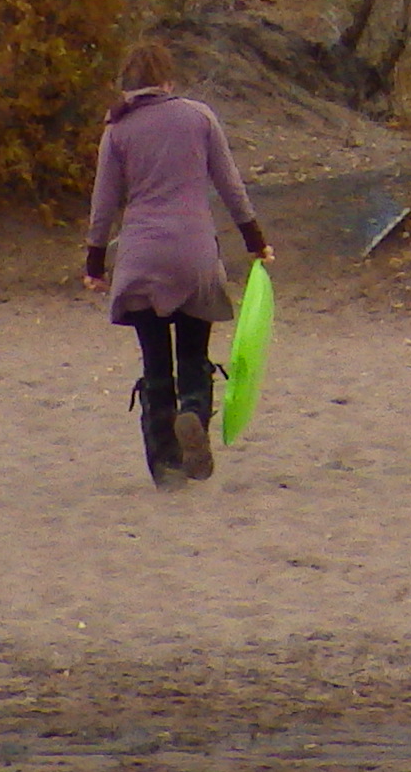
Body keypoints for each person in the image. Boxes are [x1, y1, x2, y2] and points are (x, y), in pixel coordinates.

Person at [81, 38, 273, 487]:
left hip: (141, 256)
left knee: (154, 363)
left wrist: (94, 260)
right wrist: (255, 240)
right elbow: (230, 186)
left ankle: (165, 462)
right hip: (193, 252)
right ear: (168, 79)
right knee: (194, 353)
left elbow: (103, 202)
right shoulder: (199, 117)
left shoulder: (118, 129)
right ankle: (192, 410)